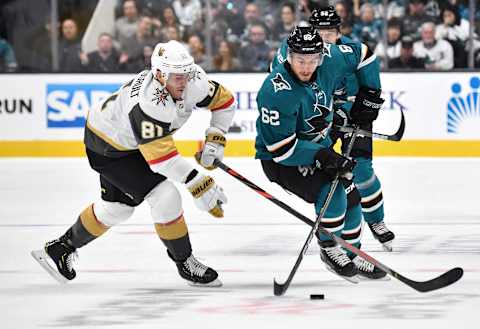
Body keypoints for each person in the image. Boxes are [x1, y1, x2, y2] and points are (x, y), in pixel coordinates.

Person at [31, 40, 236, 287]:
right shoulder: (149, 103)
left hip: (128, 140)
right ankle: (186, 262)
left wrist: (216, 139)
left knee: (117, 208)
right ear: (160, 75)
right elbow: (162, 160)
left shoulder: (194, 81)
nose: (183, 81)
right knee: (165, 195)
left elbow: (224, 102)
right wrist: (199, 182)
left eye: (186, 73)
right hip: (108, 147)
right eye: (176, 76)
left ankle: (61, 247)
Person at [261, 24, 386, 282]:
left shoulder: (331, 59)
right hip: (283, 160)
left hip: (318, 149)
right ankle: (330, 249)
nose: (306, 67)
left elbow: (364, 54)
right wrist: (324, 156)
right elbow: (281, 149)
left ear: (321, 56)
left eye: (311, 60)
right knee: (333, 189)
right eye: (299, 60)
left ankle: (351, 254)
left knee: (352, 200)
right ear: (289, 57)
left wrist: (371, 93)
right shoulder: (275, 92)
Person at [308, 6, 396, 253]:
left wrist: (366, 105)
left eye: (329, 31)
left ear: (339, 31)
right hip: (322, 117)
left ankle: (376, 220)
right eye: (318, 31)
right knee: (326, 172)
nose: (324, 36)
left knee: (363, 170)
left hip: (352, 114)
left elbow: (371, 86)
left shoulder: (352, 52)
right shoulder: (303, 54)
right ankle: (336, 231)